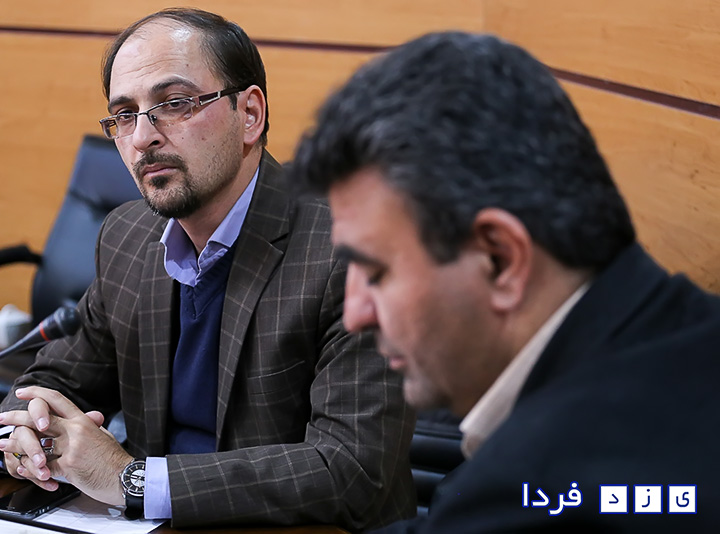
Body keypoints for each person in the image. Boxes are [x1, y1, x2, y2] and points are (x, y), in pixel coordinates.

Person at [0, 8, 415, 530]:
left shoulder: (352, 247)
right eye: (124, 115)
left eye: (174, 104)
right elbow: (57, 378)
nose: (142, 137)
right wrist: (21, 438)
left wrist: (131, 479)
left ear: (249, 114)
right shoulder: (127, 236)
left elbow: (351, 469)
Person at [292, 31, 720, 532]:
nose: (355, 313)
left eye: (377, 272)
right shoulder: (683, 327)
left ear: (500, 259)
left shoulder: (536, 489)